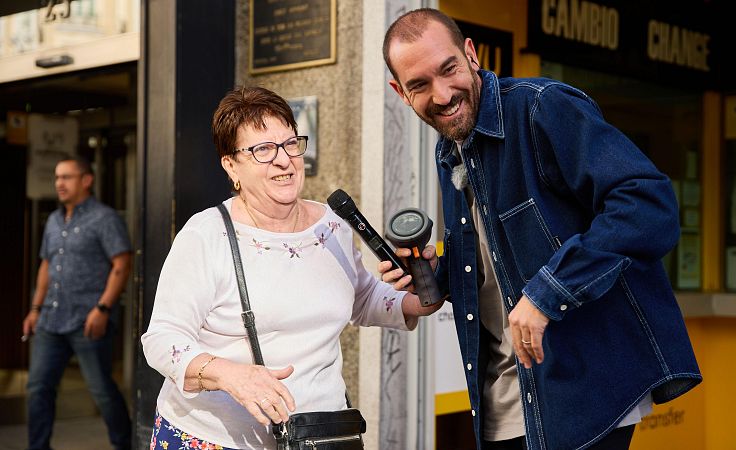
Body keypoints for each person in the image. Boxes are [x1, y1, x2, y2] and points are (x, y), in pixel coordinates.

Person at [380, 9, 702, 450]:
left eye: (448, 68)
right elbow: (499, 259)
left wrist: (548, 292)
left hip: (582, 393)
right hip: (501, 403)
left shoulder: (540, 108)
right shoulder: (449, 151)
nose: (441, 93)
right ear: (401, 93)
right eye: (419, 85)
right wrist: (438, 273)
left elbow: (648, 205)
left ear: (470, 55)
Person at [141, 86, 441, 449]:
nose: (283, 160)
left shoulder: (331, 224)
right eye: (262, 150)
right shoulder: (207, 234)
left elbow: (363, 298)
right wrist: (229, 375)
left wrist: (420, 297)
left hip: (318, 435)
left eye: (289, 144)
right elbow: (161, 340)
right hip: (215, 437)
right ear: (231, 165)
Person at [23, 156, 133, 450]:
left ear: (86, 180)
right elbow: (46, 265)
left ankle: (124, 445)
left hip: (88, 321)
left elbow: (122, 264)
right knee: (37, 388)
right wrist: (35, 308)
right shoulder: (54, 220)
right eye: (57, 177)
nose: (59, 183)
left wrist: (103, 308)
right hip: (50, 319)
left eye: (67, 177)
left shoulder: (104, 218)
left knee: (102, 392)